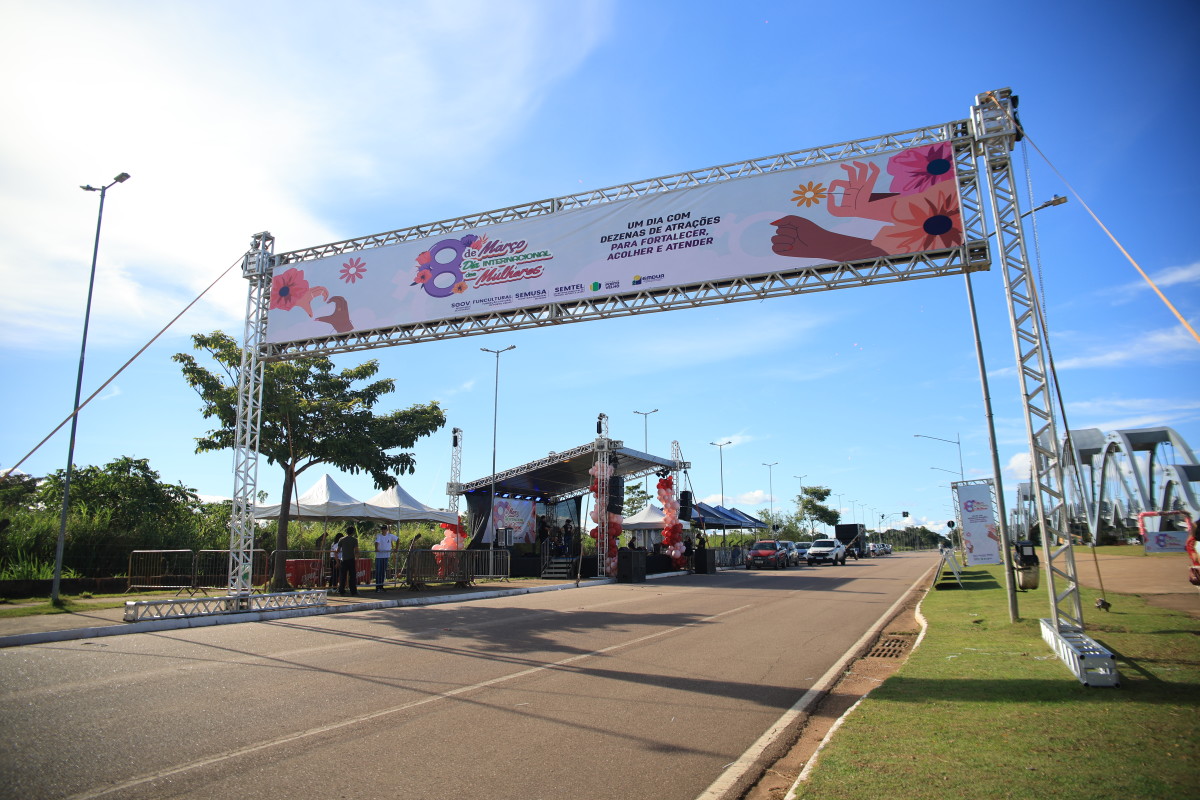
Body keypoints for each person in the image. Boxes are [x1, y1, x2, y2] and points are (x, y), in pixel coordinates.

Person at [373, 525, 398, 593]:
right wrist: (376, 548)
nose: (383, 530)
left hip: (386, 556)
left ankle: (381, 586)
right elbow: (377, 542)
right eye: (382, 529)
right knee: (378, 572)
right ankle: (377, 587)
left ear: (387, 530)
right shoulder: (379, 535)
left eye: (384, 529)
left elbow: (398, 539)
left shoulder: (390, 535)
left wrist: (396, 548)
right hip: (379, 556)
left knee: (383, 571)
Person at [337, 526, 359, 596]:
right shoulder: (354, 540)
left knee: (342, 576)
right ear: (353, 532)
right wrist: (357, 560)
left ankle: (341, 590)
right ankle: (353, 591)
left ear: (346, 532)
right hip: (351, 559)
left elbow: (338, 550)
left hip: (343, 559)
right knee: (352, 576)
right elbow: (356, 551)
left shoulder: (341, 539)